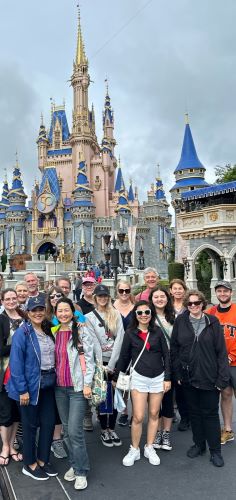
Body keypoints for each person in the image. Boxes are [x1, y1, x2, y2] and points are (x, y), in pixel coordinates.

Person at [170, 289, 230, 467]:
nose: (194, 306)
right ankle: (199, 444)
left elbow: (221, 352)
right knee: (194, 413)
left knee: (210, 415)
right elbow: (174, 349)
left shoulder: (212, 321)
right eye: (190, 304)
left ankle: (215, 451)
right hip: (188, 376)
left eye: (197, 303)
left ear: (203, 304)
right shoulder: (181, 321)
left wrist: (222, 379)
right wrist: (178, 373)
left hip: (209, 377)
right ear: (187, 305)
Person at [114, 300, 171, 467]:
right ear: (135, 315)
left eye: (147, 312)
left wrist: (168, 377)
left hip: (158, 377)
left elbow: (166, 356)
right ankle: (134, 448)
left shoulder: (158, 332)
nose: (144, 315)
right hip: (139, 377)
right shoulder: (130, 333)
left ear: (151, 314)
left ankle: (149, 446)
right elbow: (124, 357)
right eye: (140, 313)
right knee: (138, 416)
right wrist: (117, 376)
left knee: (154, 414)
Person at [7, 295, 57, 480]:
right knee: (29, 425)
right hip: (30, 386)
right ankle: (30, 463)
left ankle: (43, 459)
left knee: (49, 422)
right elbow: (16, 362)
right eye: (34, 310)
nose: (37, 313)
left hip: (49, 383)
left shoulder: (48, 328)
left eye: (40, 309)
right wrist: (22, 390)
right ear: (27, 313)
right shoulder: (23, 332)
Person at [53, 297, 95, 490]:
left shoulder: (81, 330)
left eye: (66, 310)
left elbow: (90, 359)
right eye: (59, 311)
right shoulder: (52, 332)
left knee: (75, 432)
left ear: (72, 311)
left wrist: (87, 384)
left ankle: (81, 471)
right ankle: (74, 463)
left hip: (77, 387)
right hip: (59, 388)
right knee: (66, 432)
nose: (63, 314)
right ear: (55, 314)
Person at [84, 284, 125, 447]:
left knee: (114, 396)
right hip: (100, 362)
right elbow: (93, 342)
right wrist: (101, 366)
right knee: (102, 396)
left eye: (105, 296)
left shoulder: (116, 314)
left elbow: (120, 338)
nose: (102, 298)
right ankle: (103, 428)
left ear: (109, 297)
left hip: (114, 362)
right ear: (95, 297)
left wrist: (113, 364)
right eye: (99, 296)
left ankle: (112, 427)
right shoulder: (89, 317)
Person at [206, 280, 236, 445]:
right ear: (216, 293)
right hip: (219, 363)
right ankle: (228, 430)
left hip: (234, 361)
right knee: (225, 394)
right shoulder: (211, 312)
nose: (222, 294)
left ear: (230, 293)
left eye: (225, 291)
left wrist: (231, 356)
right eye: (219, 291)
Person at [0, 289, 26, 465]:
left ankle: (12, 444)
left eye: (13, 298)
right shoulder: (1, 320)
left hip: (22, 372)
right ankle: (5, 447)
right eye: (7, 299)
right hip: (5, 372)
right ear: (2, 301)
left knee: (17, 413)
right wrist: (17, 346)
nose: (11, 301)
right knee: (6, 412)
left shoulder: (25, 318)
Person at [150, 286, 175, 451]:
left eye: (162, 296)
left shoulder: (176, 317)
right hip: (153, 363)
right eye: (156, 297)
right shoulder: (147, 316)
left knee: (167, 400)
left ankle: (166, 433)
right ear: (151, 299)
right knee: (154, 402)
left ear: (167, 298)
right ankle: (157, 431)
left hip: (171, 362)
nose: (159, 299)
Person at [45, 286, 68, 460]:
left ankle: (61, 438)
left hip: (67, 367)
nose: (54, 298)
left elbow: (83, 327)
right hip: (50, 367)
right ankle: (54, 439)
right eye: (51, 296)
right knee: (51, 406)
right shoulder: (45, 318)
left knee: (63, 408)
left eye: (58, 295)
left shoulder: (72, 314)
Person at [169, 278, 190, 431]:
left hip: (185, 350)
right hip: (169, 349)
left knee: (184, 387)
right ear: (171, 291)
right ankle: (171, 414)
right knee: (173, 385)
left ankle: (187, 417)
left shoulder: (190, 306)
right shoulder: (167, 307)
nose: (177, 291)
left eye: (180, 288)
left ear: (184, 290)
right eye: (175, 288)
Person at [113, 280, 135, 426]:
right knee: (120, 381)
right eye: (121, 291)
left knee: (132, 381)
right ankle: (124, 411)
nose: (124, 293)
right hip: (116, 348)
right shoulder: (112, 307)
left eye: (127, 290)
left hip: (133, 347)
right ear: (117, 292)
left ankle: (135, 413)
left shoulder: (136, 307)